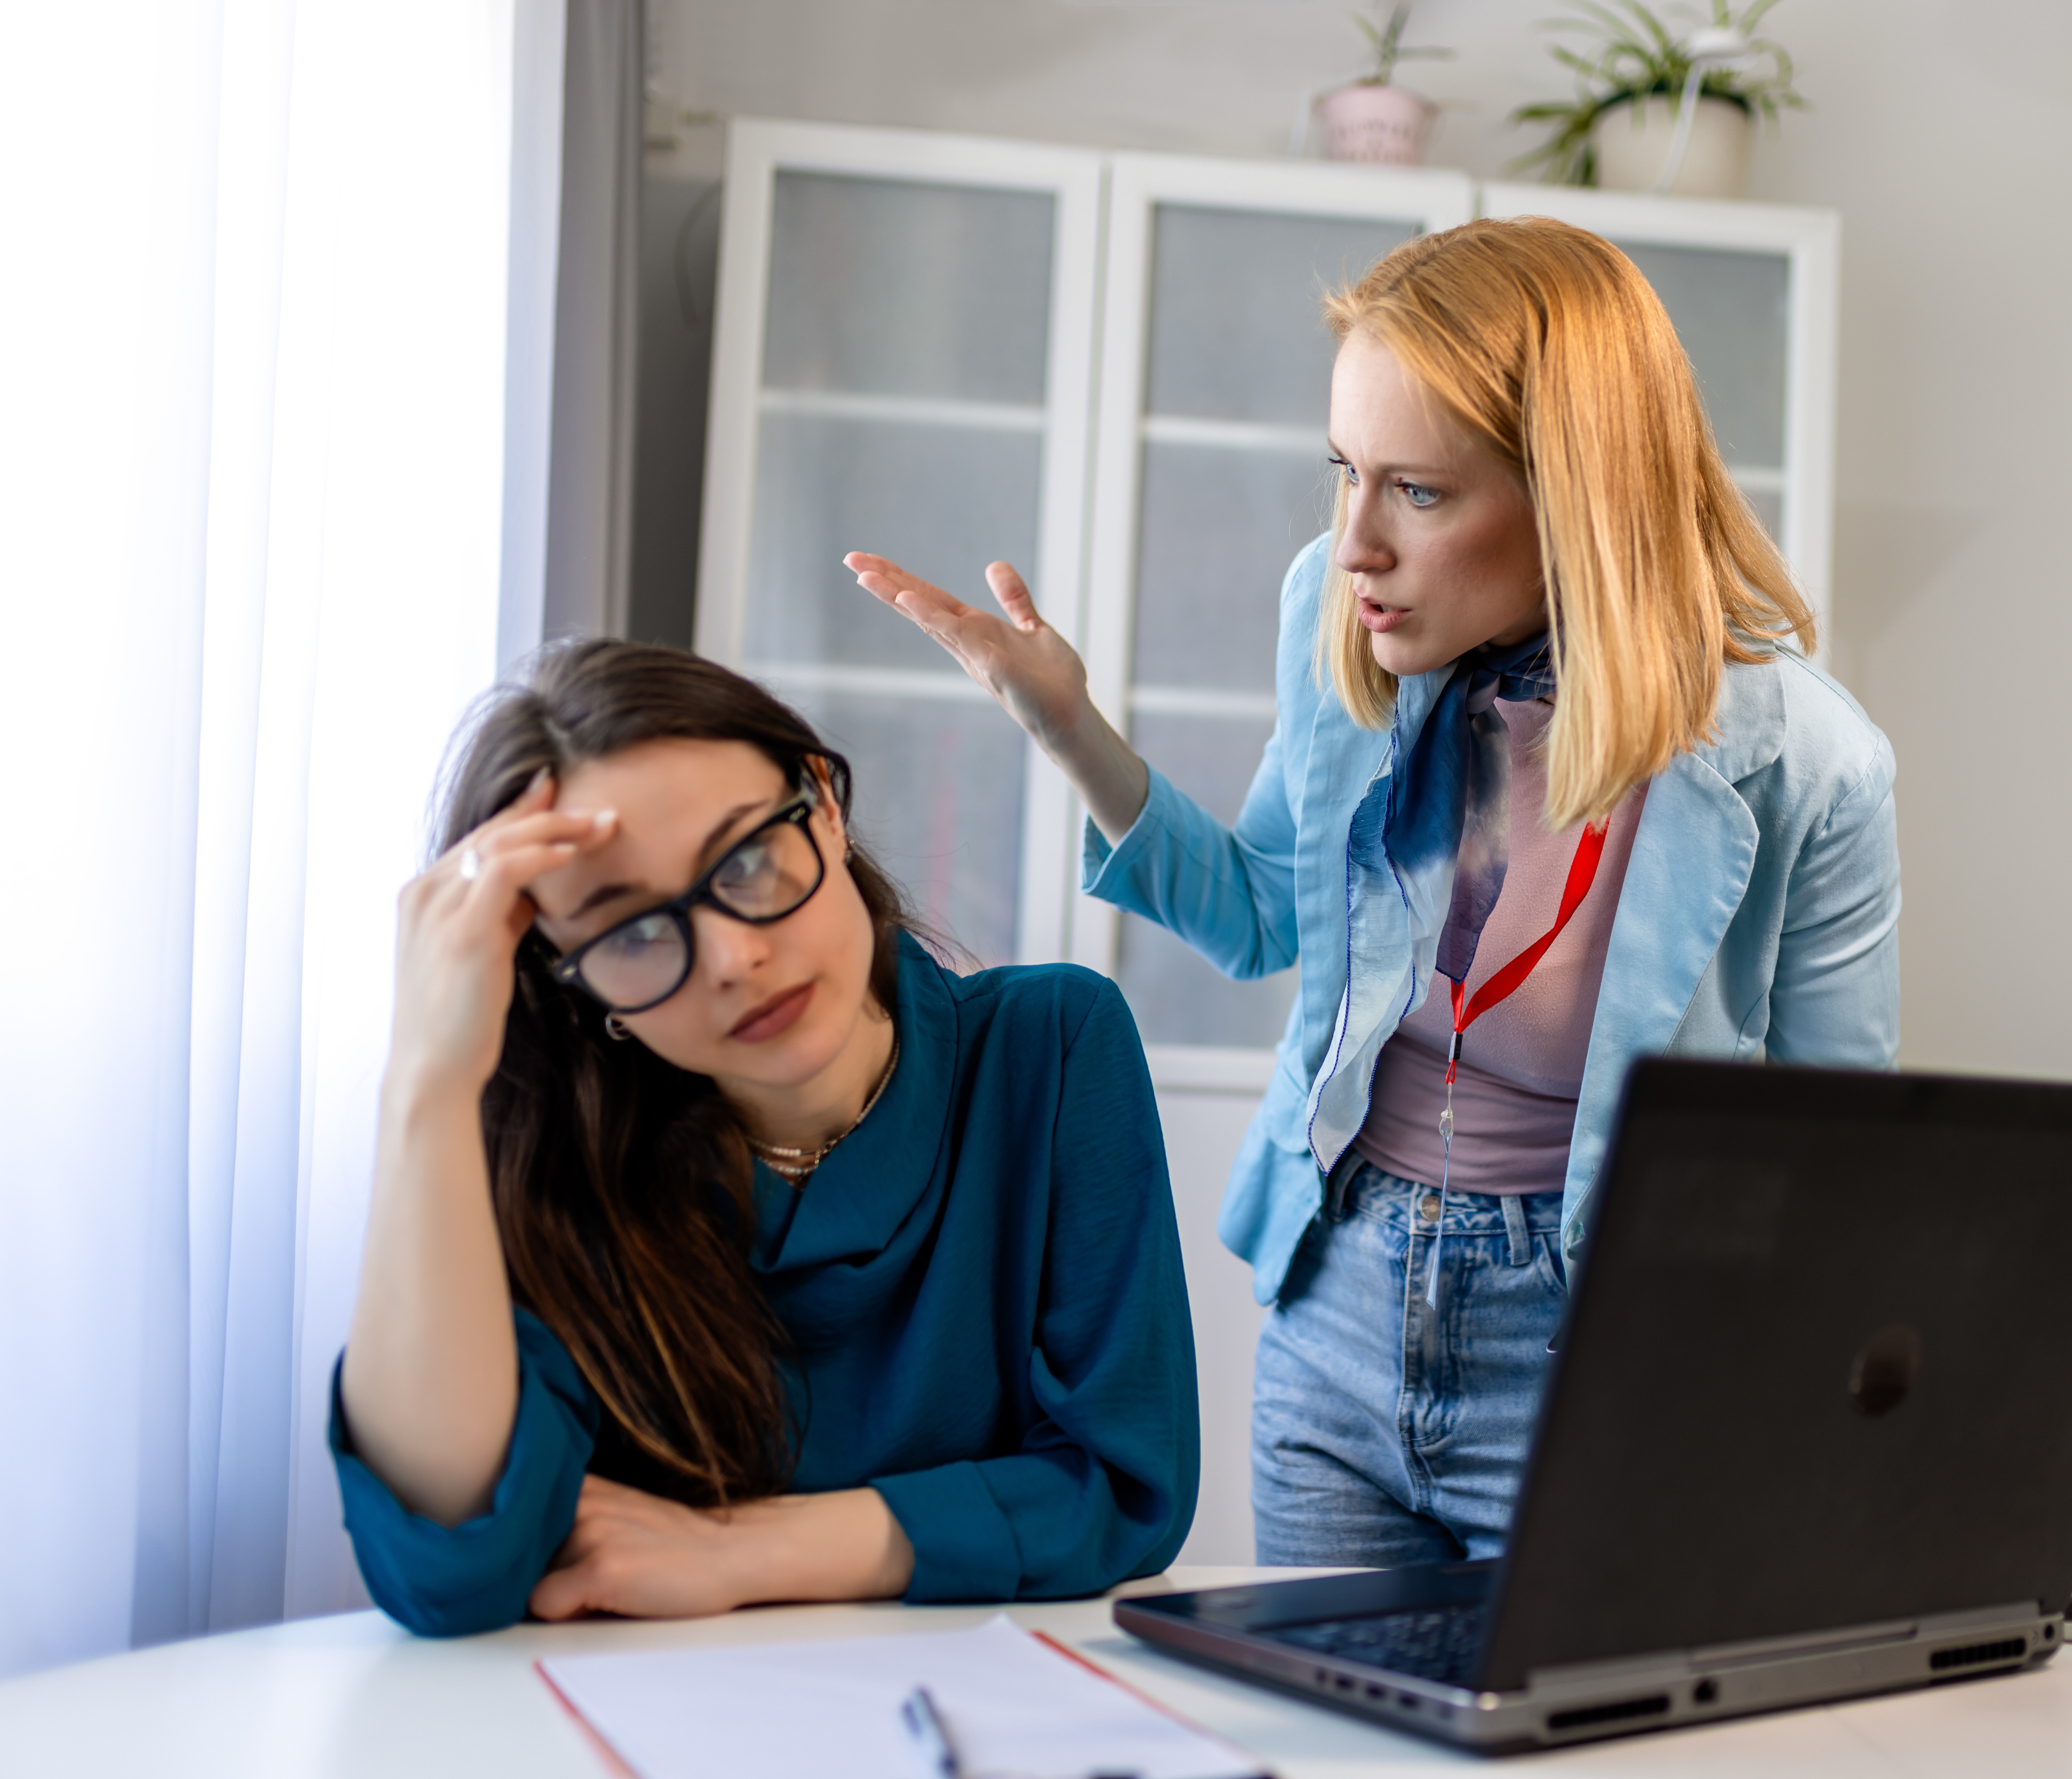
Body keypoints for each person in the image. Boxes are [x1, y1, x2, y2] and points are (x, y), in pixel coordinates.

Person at [848, 216, 1898, 1567]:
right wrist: (1066, 726)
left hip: (1600, 1353)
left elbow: (1845, 1169)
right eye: (1343, 472)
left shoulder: (1807, 763)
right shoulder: (1343, 619)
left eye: (1416, 490)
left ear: (1573, 494)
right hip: (1336, 1321)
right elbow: (1251, 914)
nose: (1353, 545)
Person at [334, 640, 1196, 1635]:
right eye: (632, 932)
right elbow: (451, 1568)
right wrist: (425, 1086)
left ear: (824, 803)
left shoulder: (1049, 1047)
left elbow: (1127, 1490)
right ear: (571, 980)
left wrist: (742, 1548)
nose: (734, 958)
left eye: (745, 860)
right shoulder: (555, 1153)